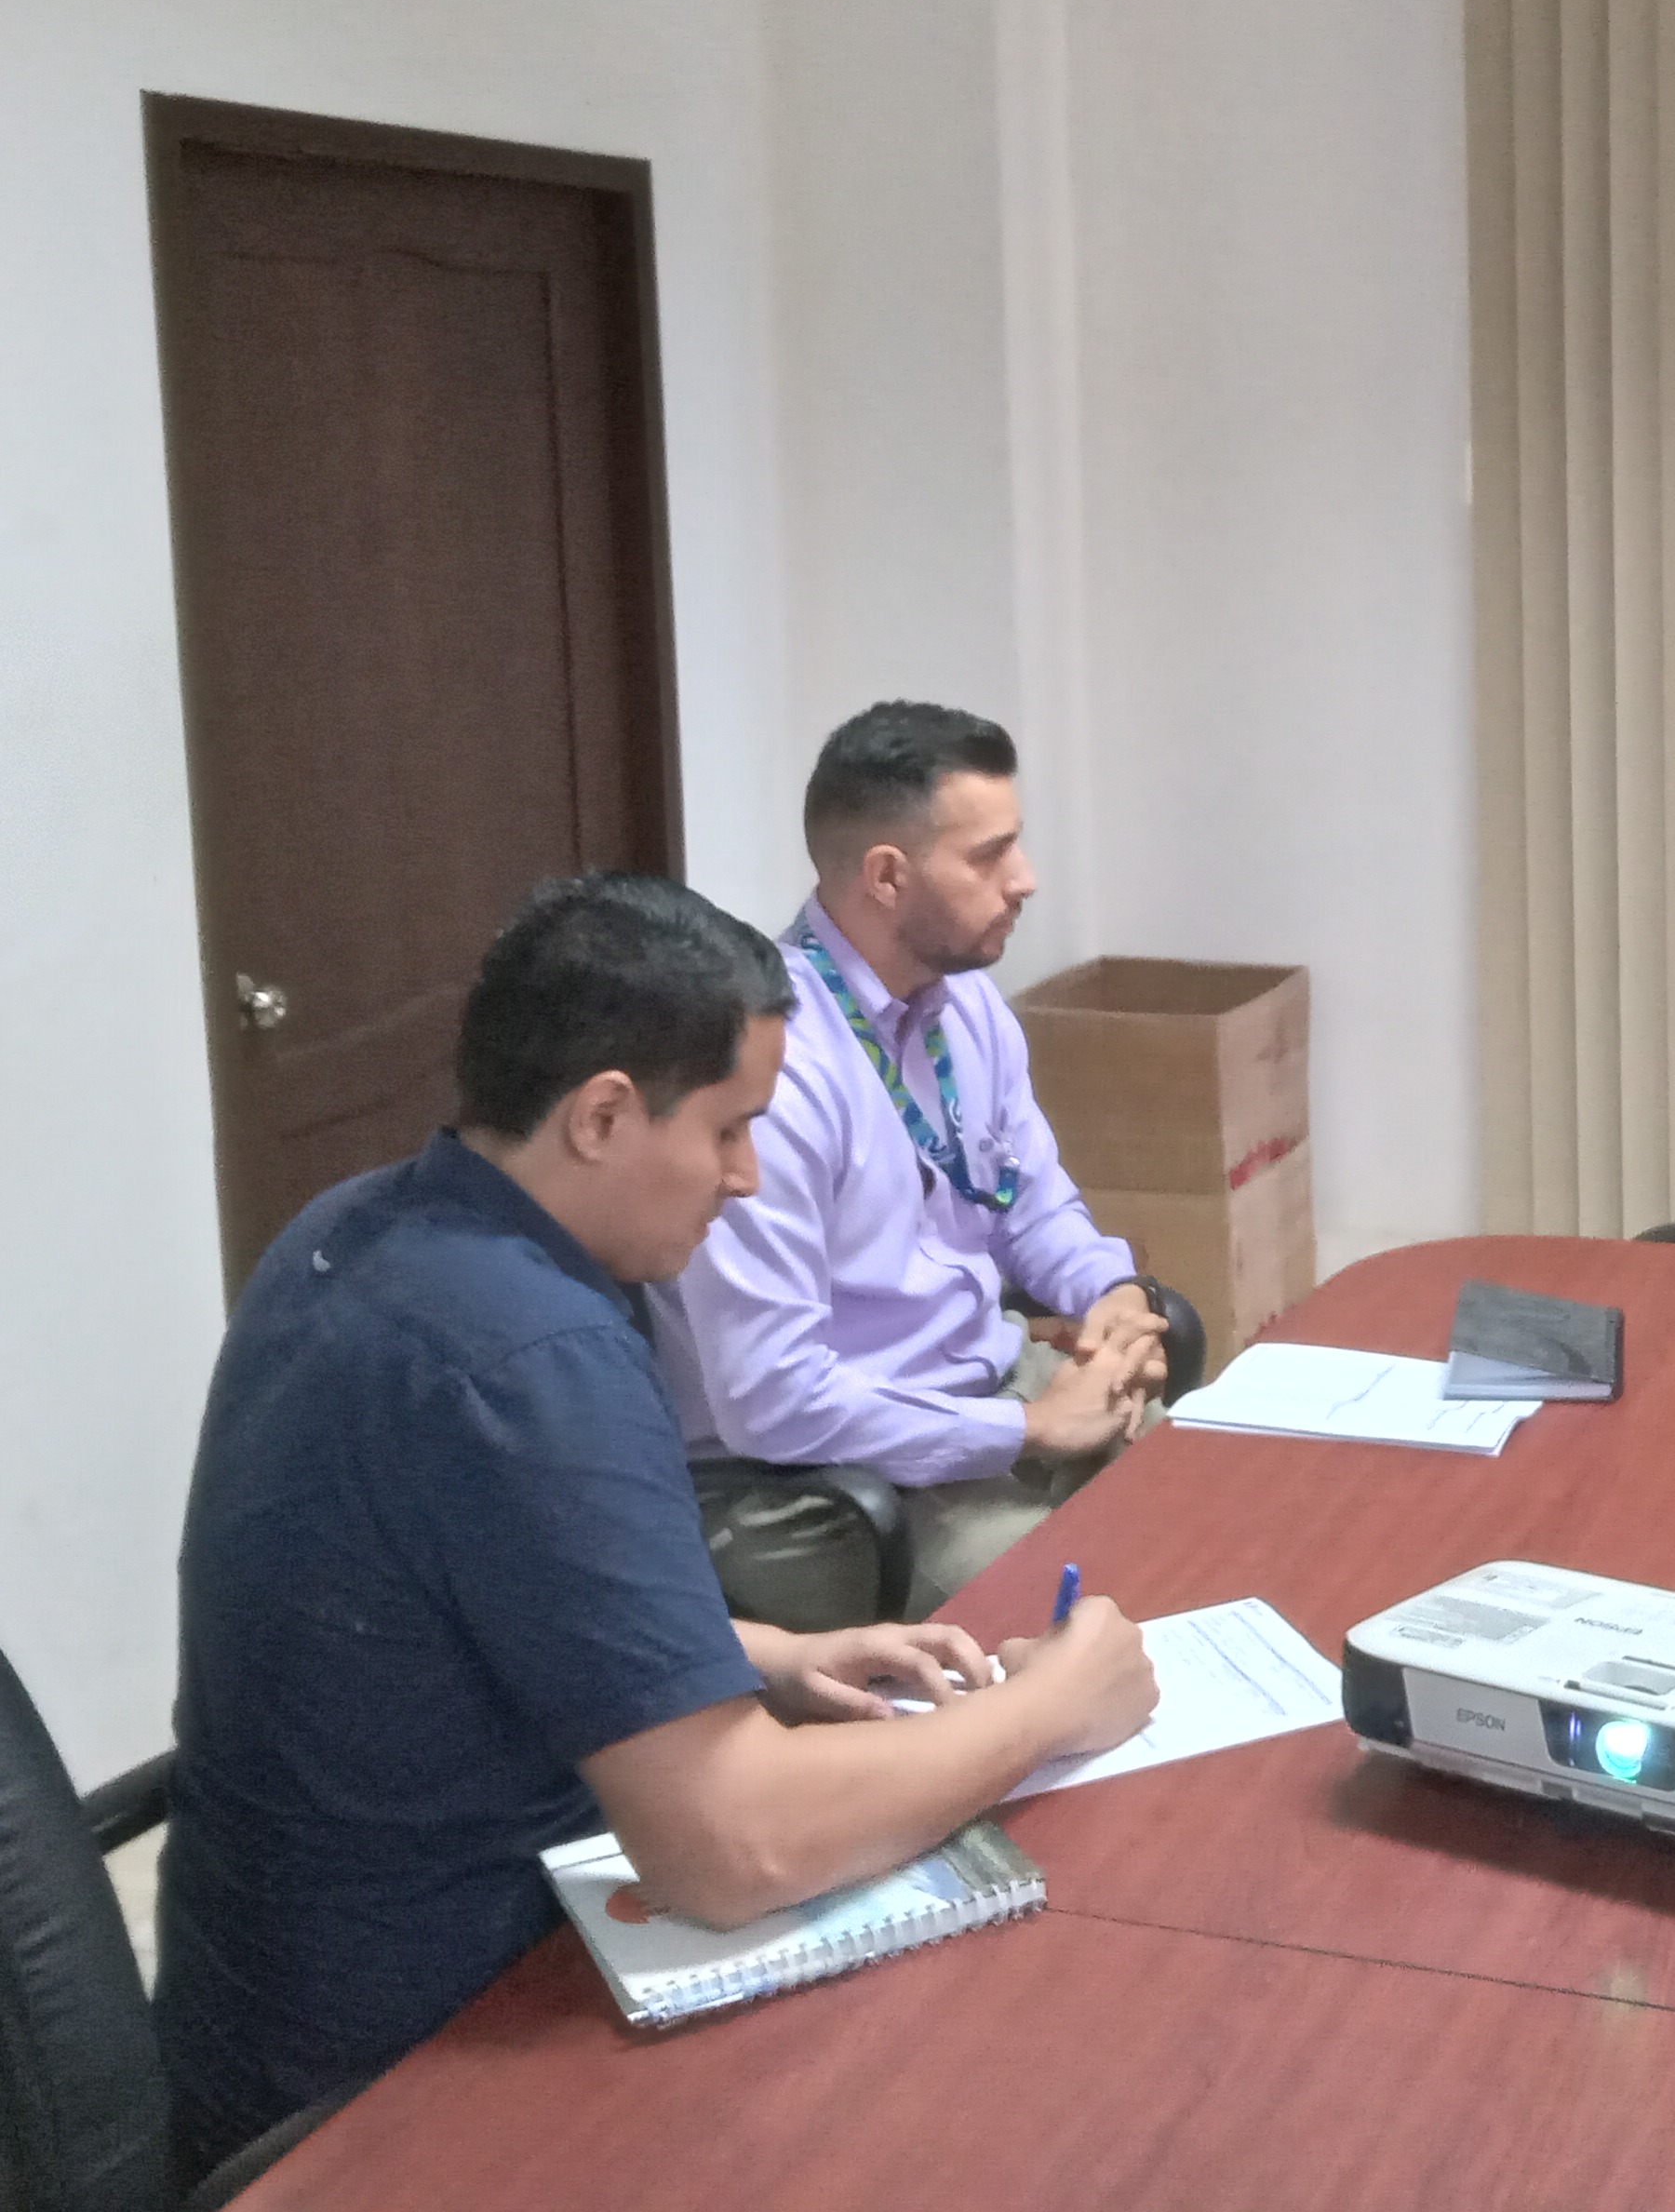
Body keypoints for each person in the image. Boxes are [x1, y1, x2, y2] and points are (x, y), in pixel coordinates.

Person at [155, 874, 1156, 2182]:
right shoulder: (538, 1353)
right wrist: (1052, 1708)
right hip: (410, 2073)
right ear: (602, 1116)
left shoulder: (350, 1231)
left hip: (249, 2012)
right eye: (730, 1129)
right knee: (997, 2093)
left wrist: (753, 1654)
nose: (747, 1178)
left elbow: (455, 1605)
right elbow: (731, 1848)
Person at [651, 703, 1169, 1628]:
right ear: (888, 876)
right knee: (1111, 1614)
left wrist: (1111, 1295)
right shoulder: (773, 1072)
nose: (1025, 879)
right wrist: (1031, 1428)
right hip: (833, 1473)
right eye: (990, 856)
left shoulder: (967, 1008)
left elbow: (1029, 1203)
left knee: (1224, 1499)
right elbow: (774, 1399)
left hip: (987, 1390)